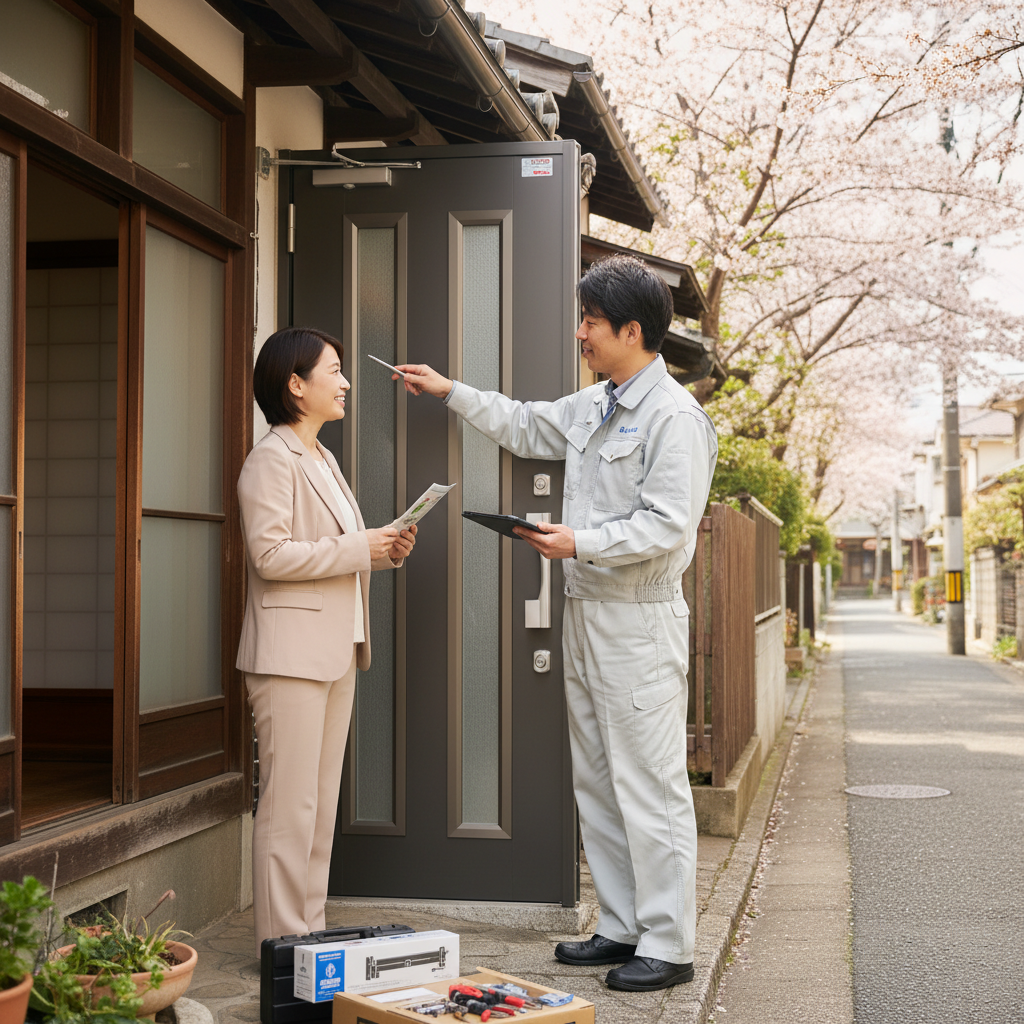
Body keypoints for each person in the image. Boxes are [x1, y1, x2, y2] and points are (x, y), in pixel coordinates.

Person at [396, 254, 718, 992]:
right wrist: (449, 391)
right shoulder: (599, 402)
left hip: (638, 620)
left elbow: (670, 527)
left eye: (591, 323)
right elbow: (524, 424)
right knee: (599, 779)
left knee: (651, 783)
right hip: (587, 613)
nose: (581, 333)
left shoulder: (675, 418)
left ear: (631, 330)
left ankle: (668, 946)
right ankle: (621, 926)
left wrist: (581, 541)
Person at [236, 327, 417, 956]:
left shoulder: (323, 459)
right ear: (295, 383)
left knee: (316, 810)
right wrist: (358, 547)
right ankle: (279, 950)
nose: (344, 383)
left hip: (334, 651)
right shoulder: (270, 459)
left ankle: (305, 942)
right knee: (289, 811)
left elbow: (335, 551)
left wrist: (383, 551)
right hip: (288, 658)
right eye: (334, 371)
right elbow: (269, 555)